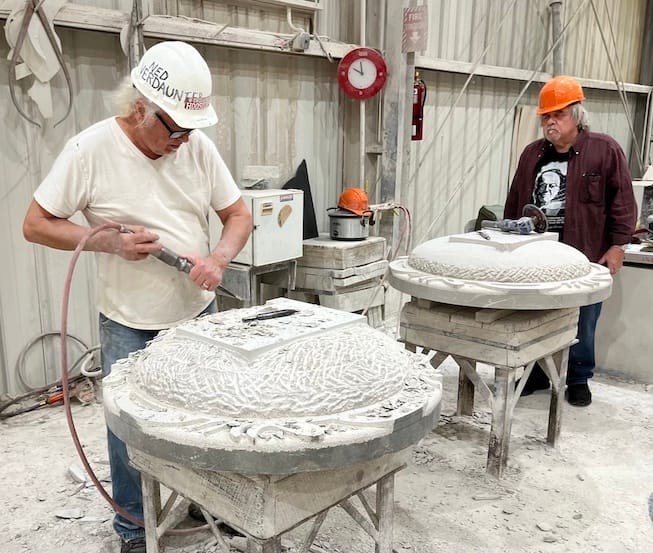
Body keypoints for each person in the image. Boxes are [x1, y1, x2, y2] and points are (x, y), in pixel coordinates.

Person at [22, 41, 253, 553]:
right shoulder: (90, 150)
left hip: (195, 314)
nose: (182, 140)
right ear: (138, 108)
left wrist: (217, 259)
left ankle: (204, 501)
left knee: (205, 420)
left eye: (190, 130)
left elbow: (239, 215)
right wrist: (107, 241)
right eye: (173, 129)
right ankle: (133, 529)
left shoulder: (194, 145)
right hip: (128, 319)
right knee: (130, 431)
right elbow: (35, 224)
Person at [505, 75, 636, 407]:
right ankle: (536, 373)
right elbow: (515, 200)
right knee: (536, 315)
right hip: (538, 255)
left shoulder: (604, 150)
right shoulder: (532, 154)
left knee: (584, 318)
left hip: (585, 255)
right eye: (546, 116)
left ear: (577, 114)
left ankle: (578, 378)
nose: (551, 121)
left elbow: (622, 202)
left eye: (558, 114)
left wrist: (618, 245)